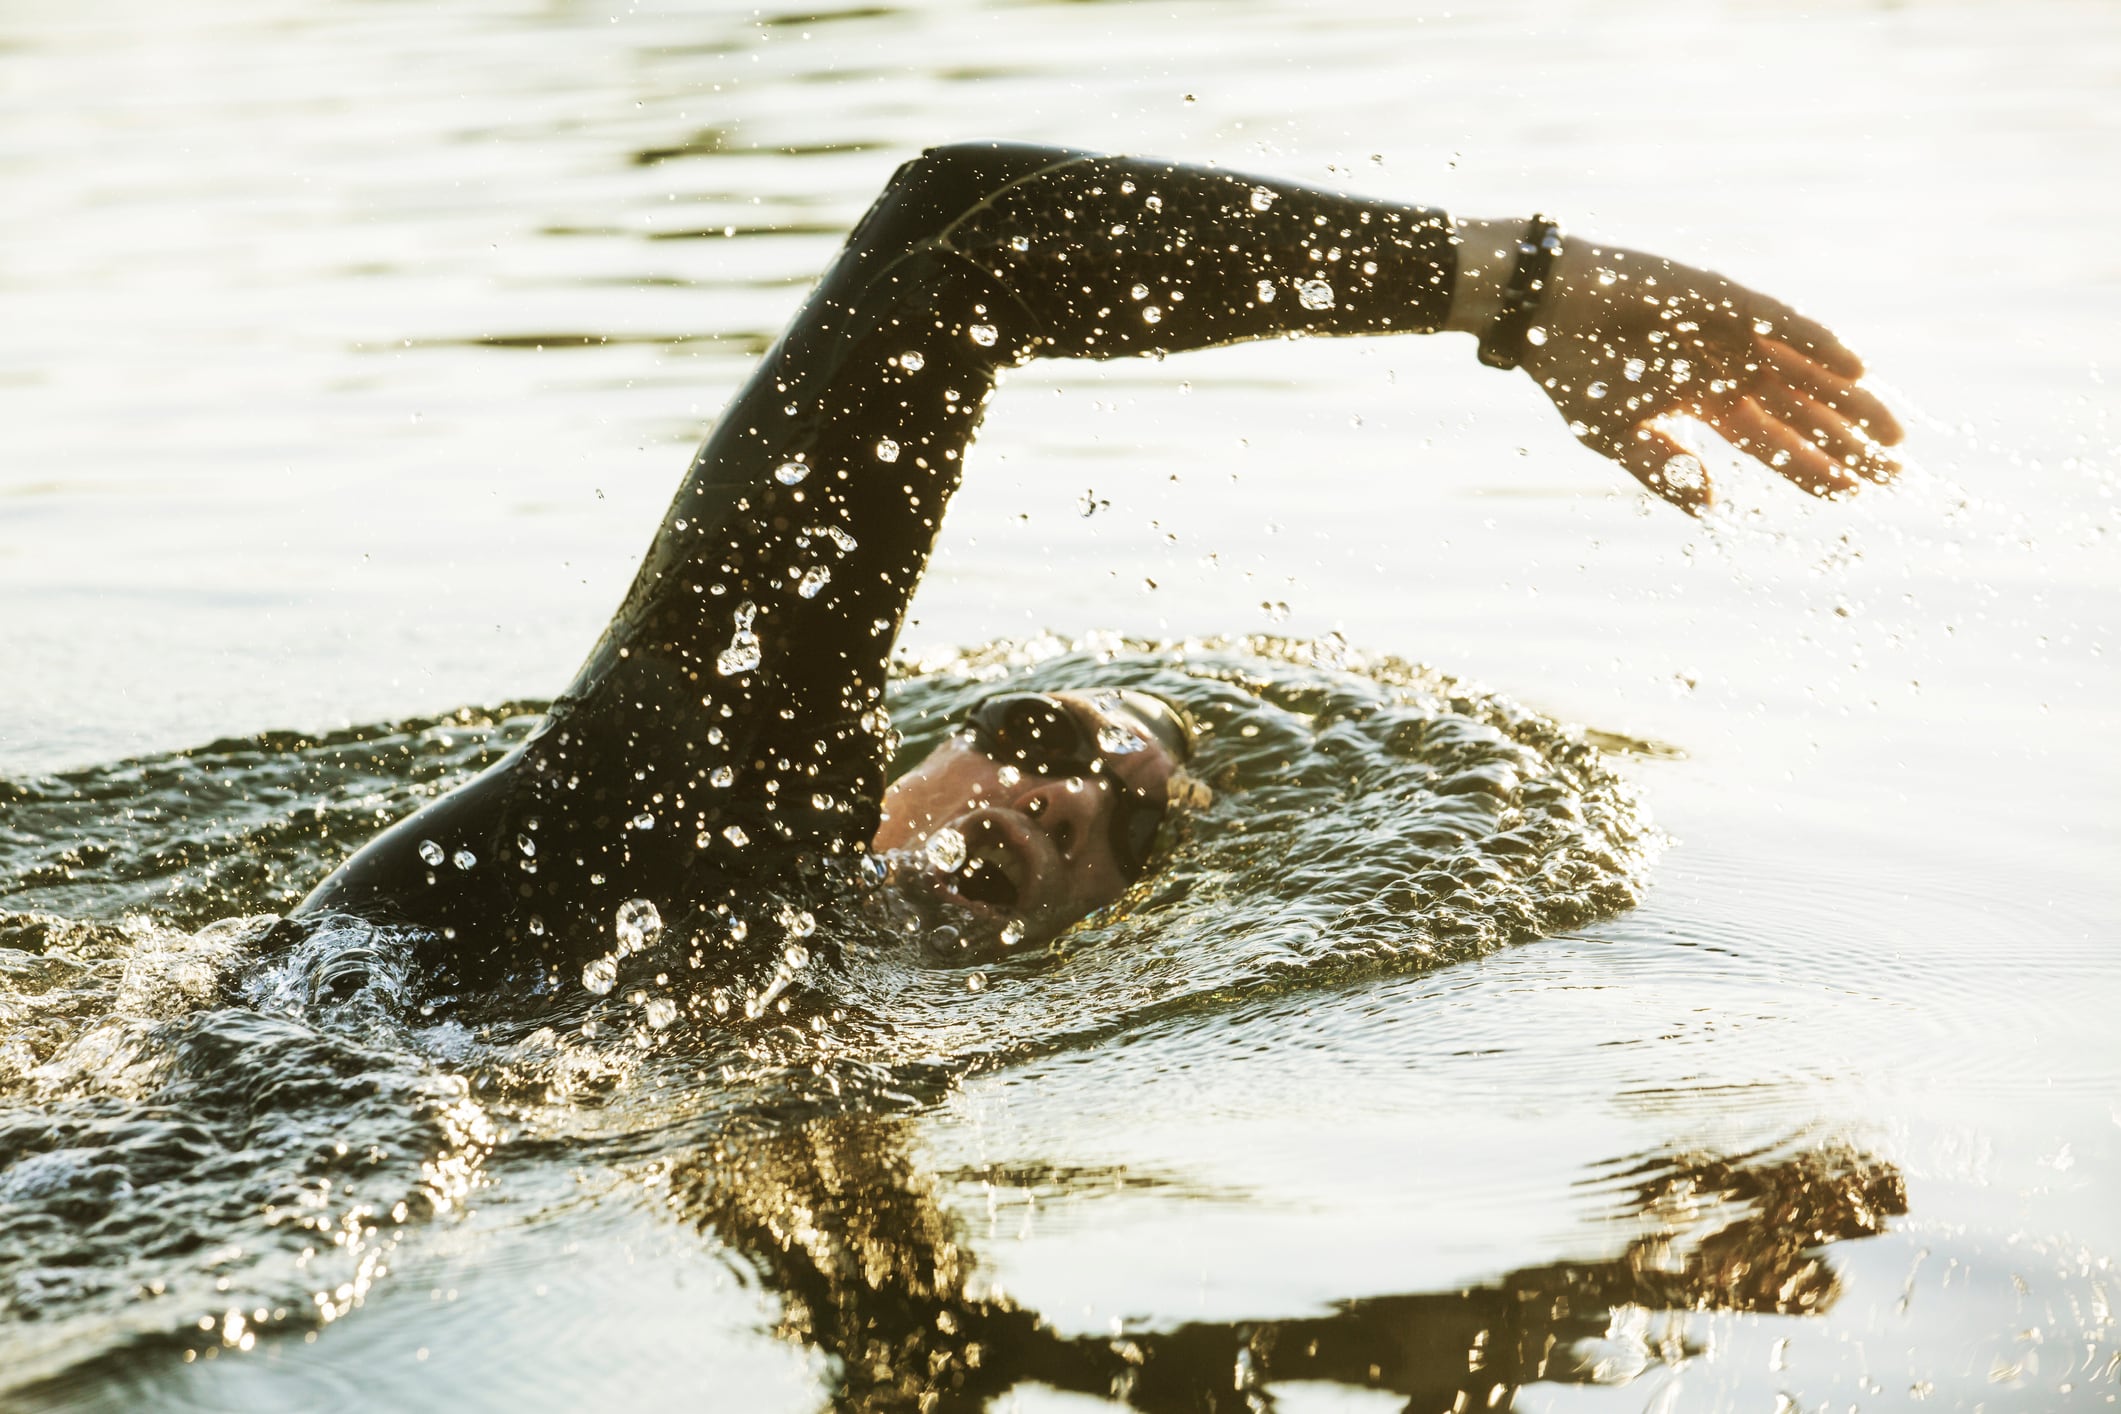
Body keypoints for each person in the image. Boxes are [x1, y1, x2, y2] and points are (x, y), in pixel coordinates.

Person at [294, 141, 1901, 998]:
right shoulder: (698, 795)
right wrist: (1508, 285)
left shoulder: (822, 1017)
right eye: (1056, 741)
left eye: (1124, 830)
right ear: (904, 759)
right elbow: (953, 236)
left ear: (1111, 924)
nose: (1068, 804)